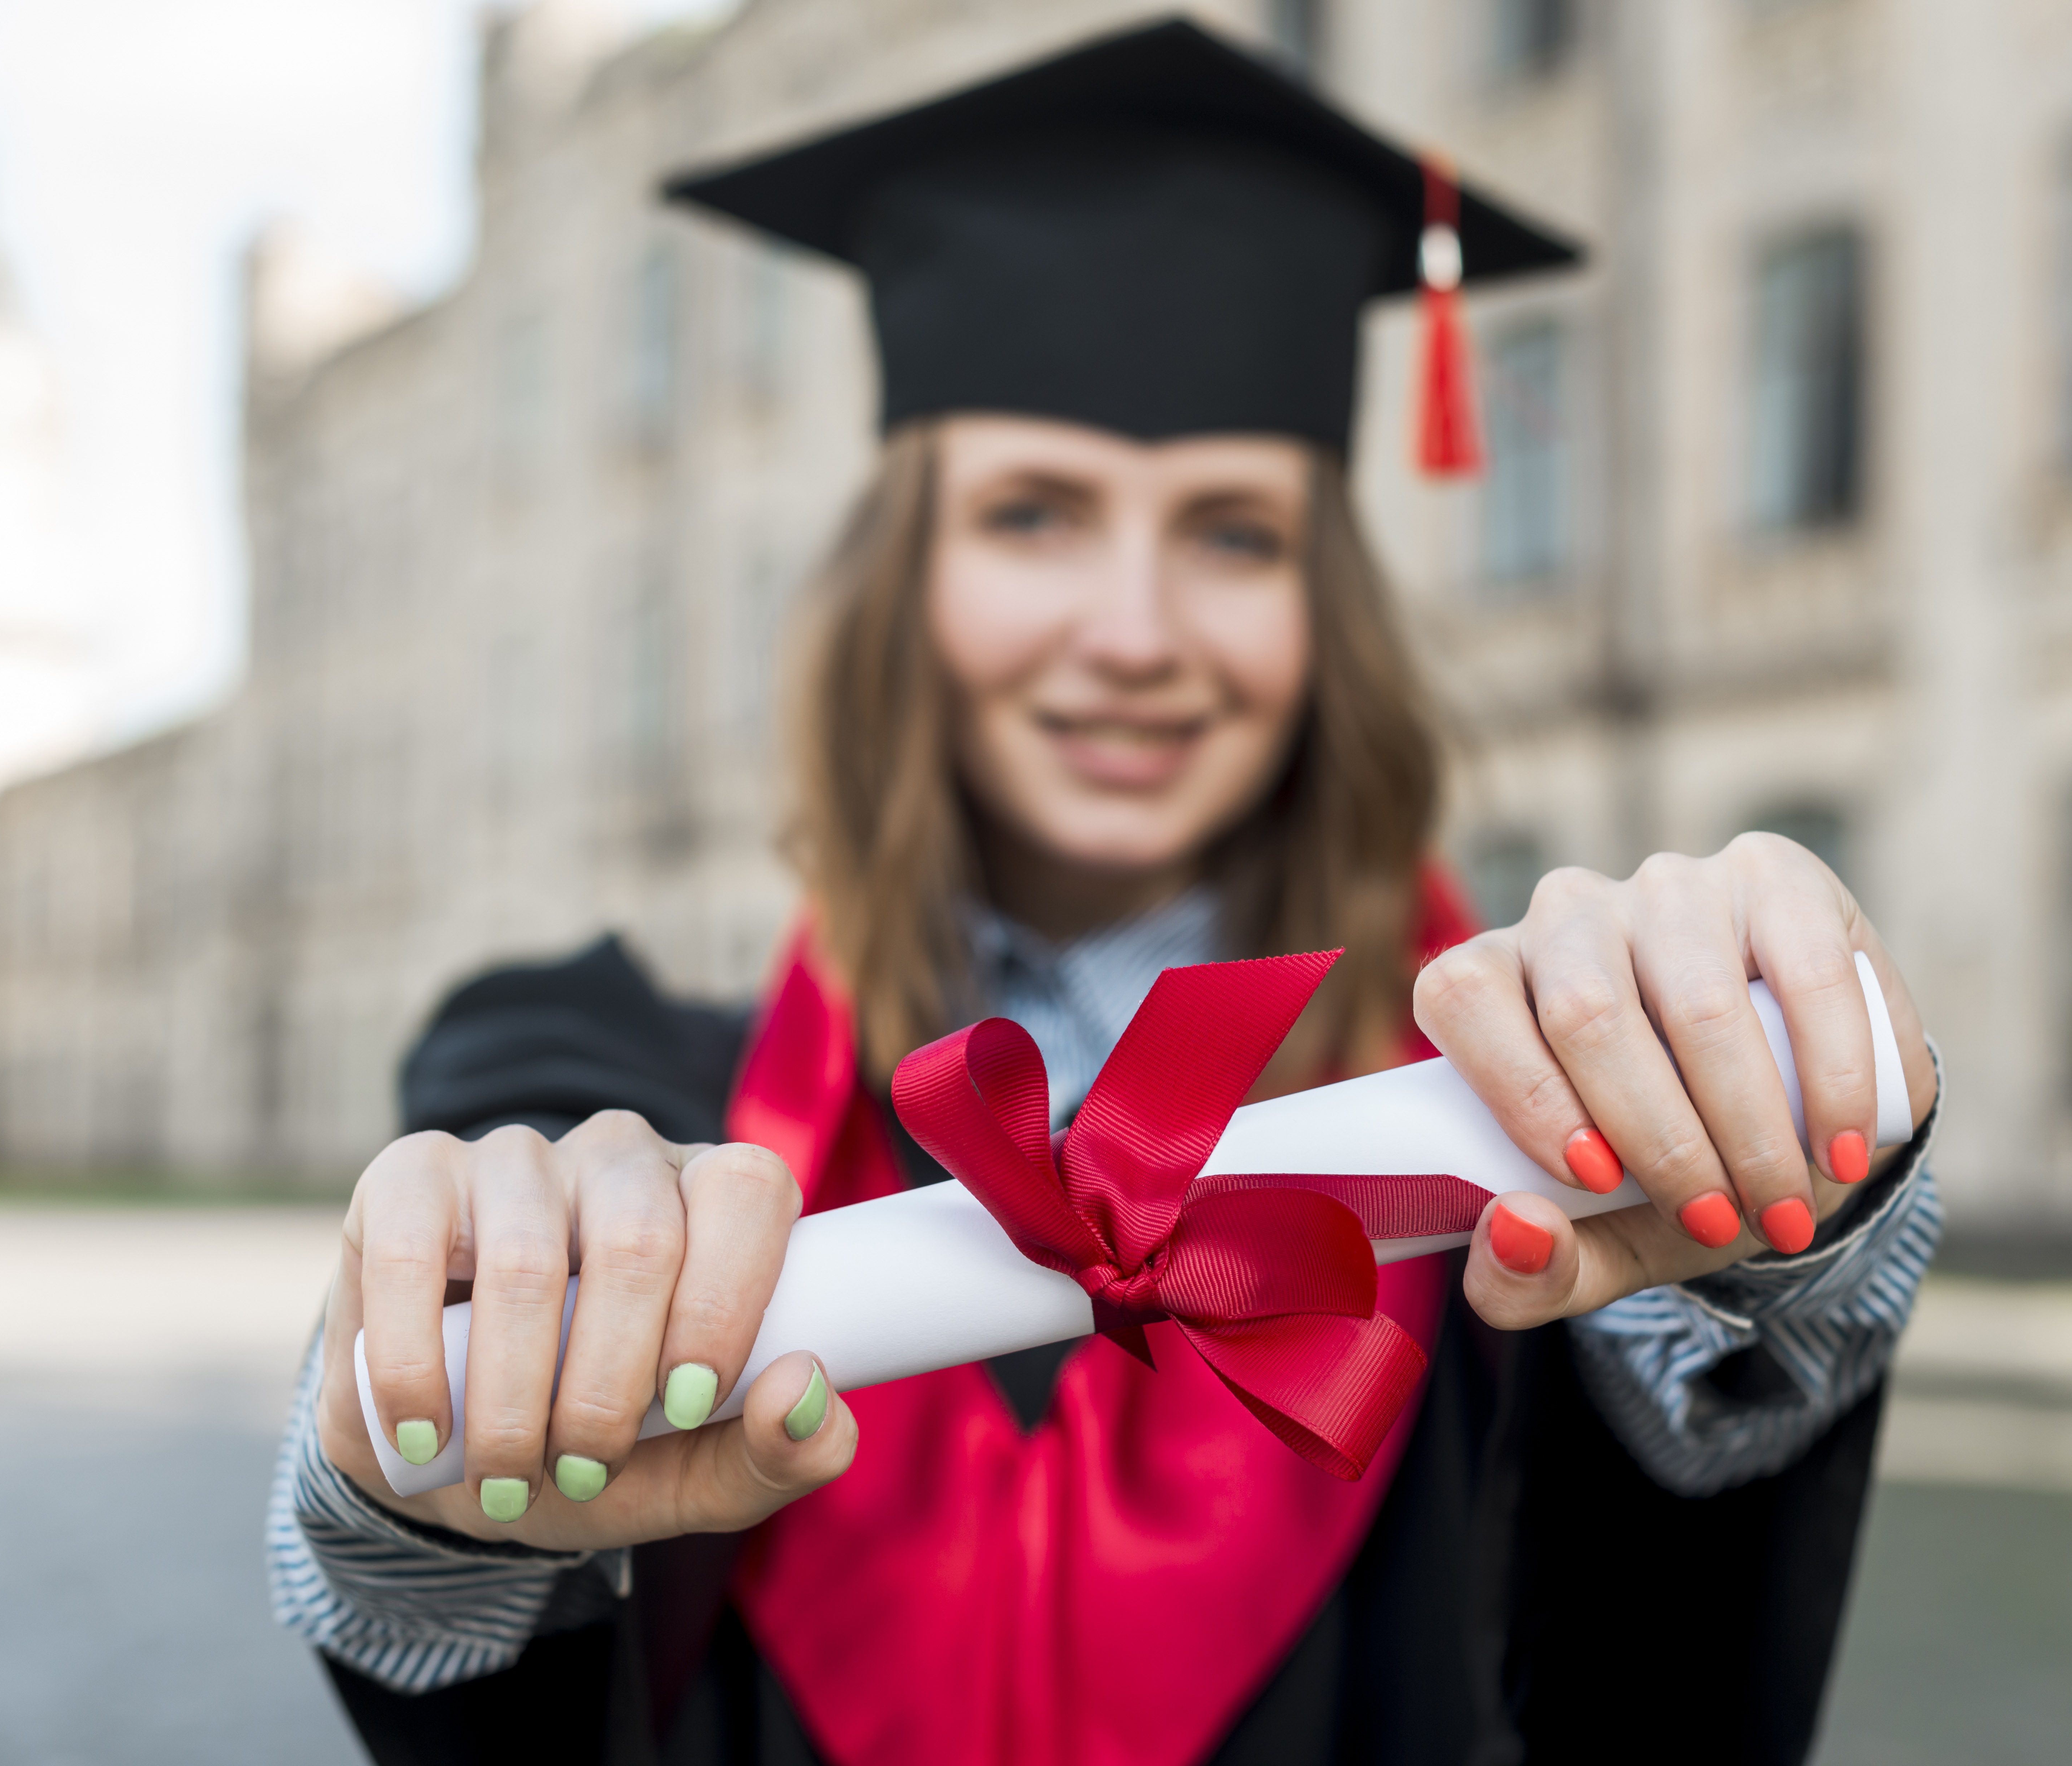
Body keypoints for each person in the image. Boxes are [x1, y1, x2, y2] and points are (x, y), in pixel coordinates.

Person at [268, 19, 1943, 1766]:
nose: (1133, 632)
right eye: (1034, 516)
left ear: (1329, 614)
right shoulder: (619, 1091)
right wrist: (424, 1447)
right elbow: (436, 1565)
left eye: (1232, 532)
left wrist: (1786, 1184)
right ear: (898, 583)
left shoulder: (1501, 1134)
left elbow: (1687, 1550)